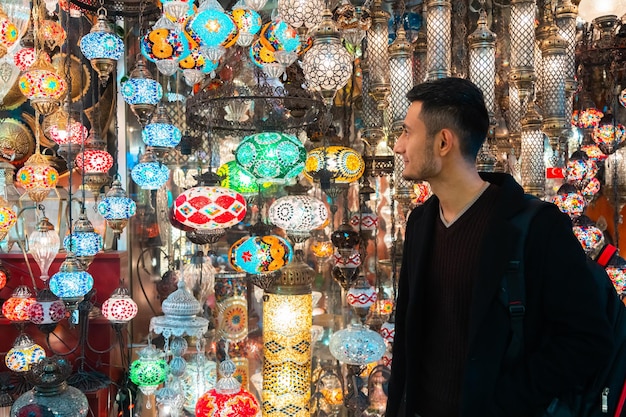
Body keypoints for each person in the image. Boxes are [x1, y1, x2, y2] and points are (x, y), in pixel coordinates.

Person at [386, 77, 614, 417]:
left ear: (444, 141)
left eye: (407, 132)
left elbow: (587, 340)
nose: (398, 146)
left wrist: (505, 401)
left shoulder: (536, 226)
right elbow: (410, 333)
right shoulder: (421, 223)